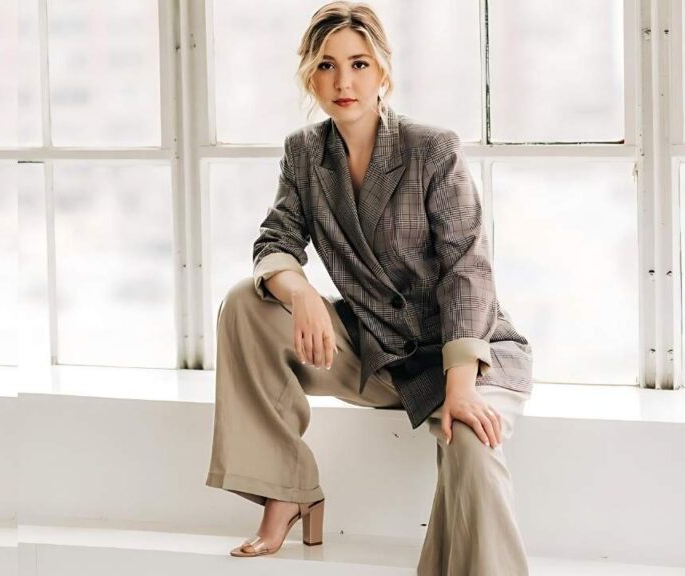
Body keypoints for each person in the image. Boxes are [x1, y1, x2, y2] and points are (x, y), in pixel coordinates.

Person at [204, 2, 534, 574]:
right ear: (310, 75)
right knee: (245, 303)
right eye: (327, 66)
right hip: (377, 351)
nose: (343, 81)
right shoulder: (304, 154)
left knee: (474, 454)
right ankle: (285, 490)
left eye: (358, 64)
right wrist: (301, 292)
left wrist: (460, 387)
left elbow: (469, 270)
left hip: (465, 355)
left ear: (383, 71)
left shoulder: (431, 149)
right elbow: (275, 240)